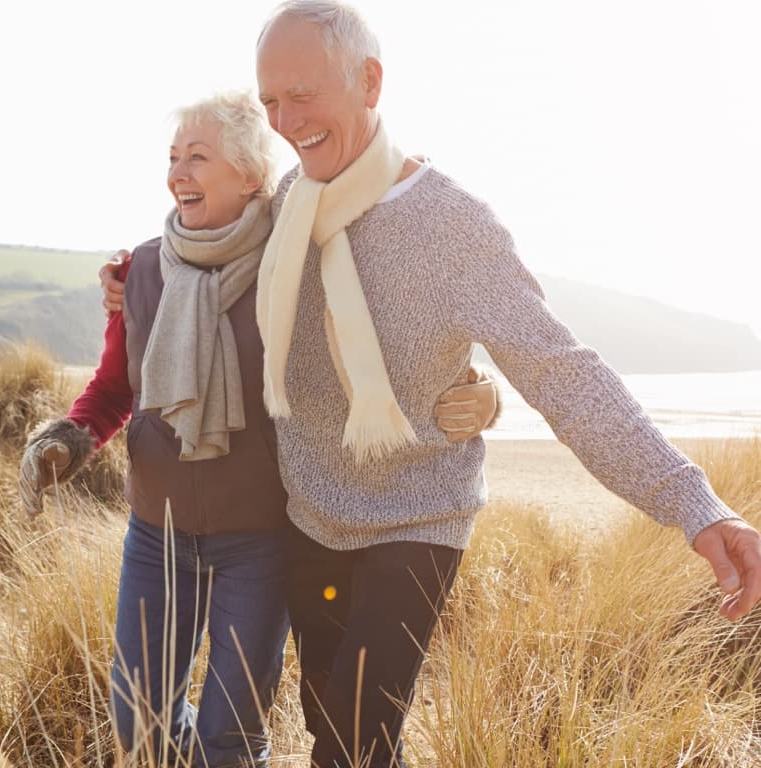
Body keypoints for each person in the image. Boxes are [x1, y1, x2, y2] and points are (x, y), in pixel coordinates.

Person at [247, 2, 761, 767]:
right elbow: (212, 260)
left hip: (419, 515)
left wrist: (692, 501)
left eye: (303, 94)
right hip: (310, 510)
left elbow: (562, 371)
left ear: (370, 81)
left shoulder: (453, 226)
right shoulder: (291, 202)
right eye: (270, 103)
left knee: (353, 742)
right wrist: (133, 282)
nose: (286, 120)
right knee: (331, 723)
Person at [20, 90, 498, 767]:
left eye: (198, 157)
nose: (177, 173)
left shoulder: (298, 266)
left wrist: (482, 395)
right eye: (172, 158)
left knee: (231, 736)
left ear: (251, 176)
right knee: (140, 725)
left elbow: (383, 357)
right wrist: (68, 438)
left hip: (263, 545)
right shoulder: (144, 271)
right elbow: (115, 388)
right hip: (156, 537)